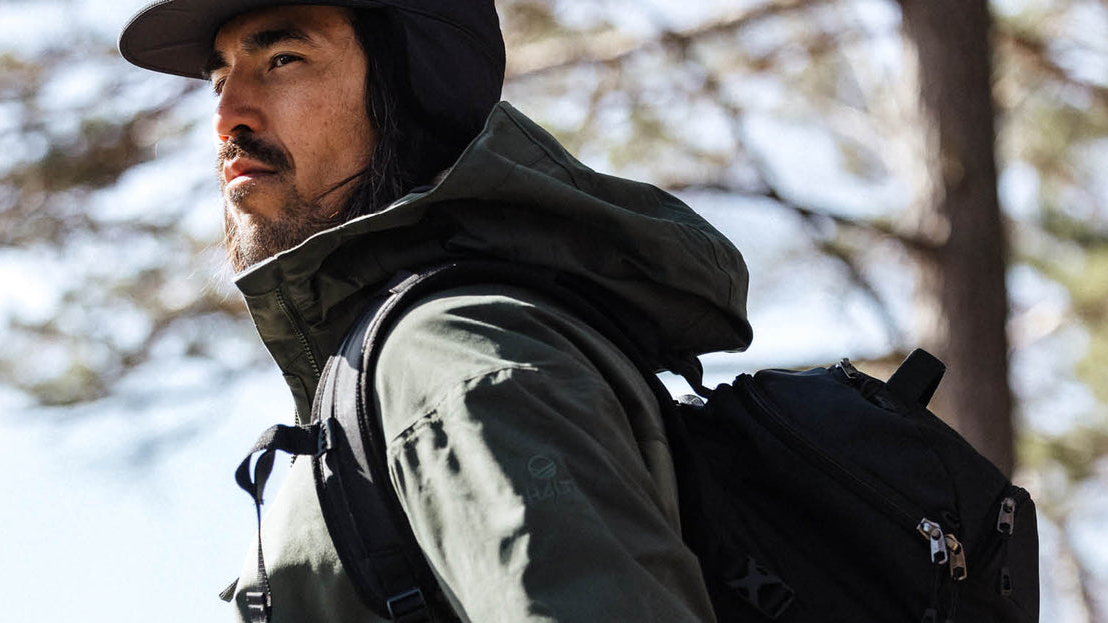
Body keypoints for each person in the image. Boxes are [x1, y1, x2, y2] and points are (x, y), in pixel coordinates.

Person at [120, 1, 752, 621]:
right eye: (220, 81)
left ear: (410, 89)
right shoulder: (398, 362)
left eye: (284, 60)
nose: (227, 118)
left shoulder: (449, 350)